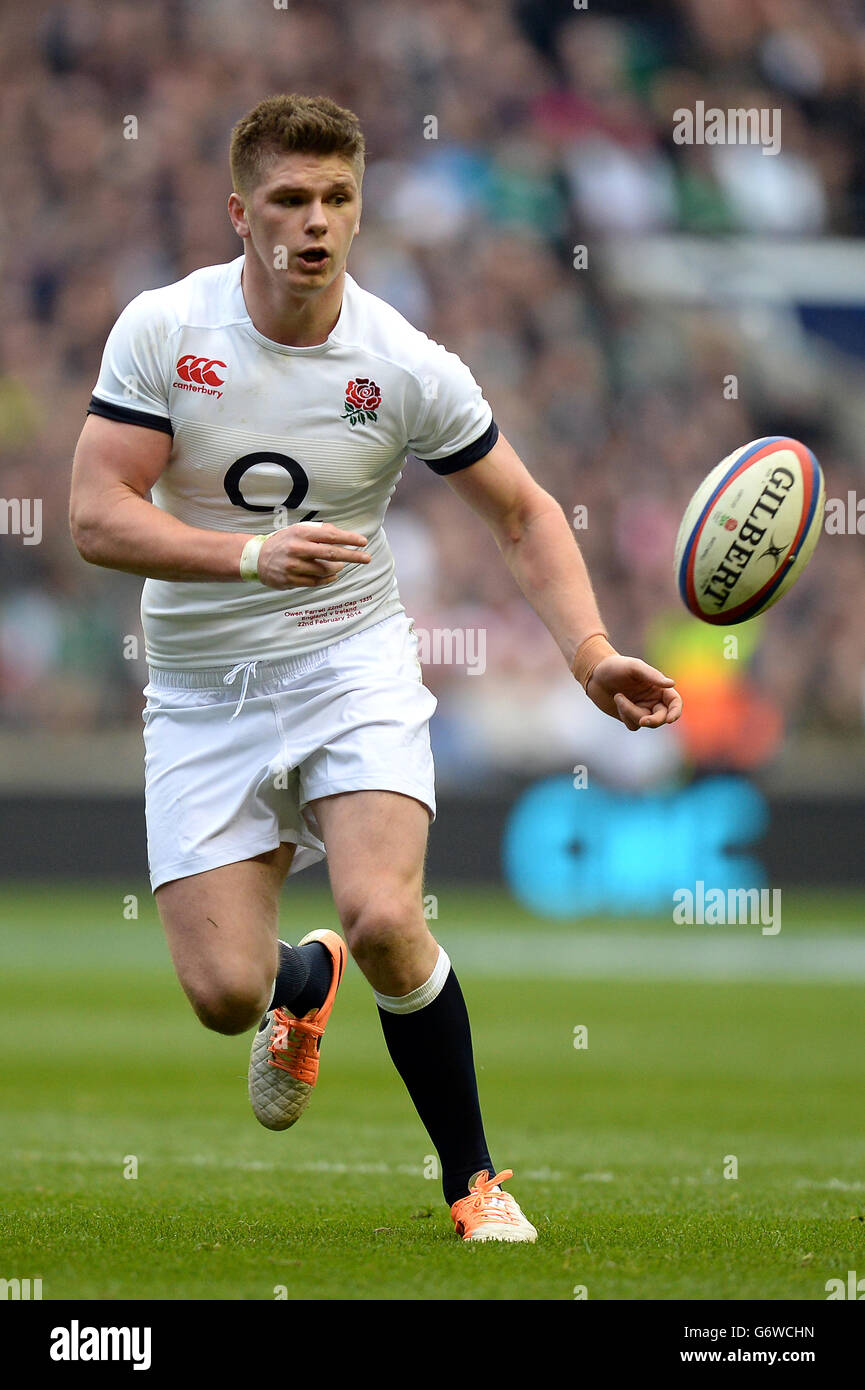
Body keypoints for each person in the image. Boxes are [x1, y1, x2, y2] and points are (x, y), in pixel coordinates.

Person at [69, 93, 682, 1244]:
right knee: (222, 996)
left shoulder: (404, 362)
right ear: (239, 210)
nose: (315, 223)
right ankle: (302, 985)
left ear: (361, 210)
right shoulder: (166, 329)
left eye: (338, 199)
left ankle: (473, 1180)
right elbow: (96, 517)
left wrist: (591, 655)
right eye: (291, 200)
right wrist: (249, 555)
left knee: (387, 910)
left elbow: (522, 513)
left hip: (350, 663)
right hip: (203, 692)